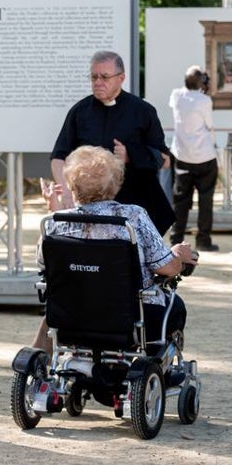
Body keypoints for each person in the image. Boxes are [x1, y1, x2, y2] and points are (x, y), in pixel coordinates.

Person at [32, 146, 196, 353]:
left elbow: (44, 266)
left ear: (72, 187)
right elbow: (167, 268)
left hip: (72, 316)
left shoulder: (54, 223)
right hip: (129, 317)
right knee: (175, 305)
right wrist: (180, 255)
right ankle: (156, 365)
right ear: (115, 184)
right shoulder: (132, 217)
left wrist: (56, 211)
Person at [47, 51, 175, 234]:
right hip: (90, 207)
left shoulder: (143, 111)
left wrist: (130, 154)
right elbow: (59, 156)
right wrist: (66, 193)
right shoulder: (79, 112)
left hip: (135, 203)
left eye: (105, 77)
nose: (98, 82)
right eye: (94, 77)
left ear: (121, 78)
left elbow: (165, 159)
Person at [168, 66, 219, 253]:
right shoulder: (205, 101)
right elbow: (209, 125)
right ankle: (203, 240)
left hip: (182, 156)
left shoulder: (176, 96)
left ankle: (176, 238)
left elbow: (182, 95)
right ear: (202, 83)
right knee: (206, 200)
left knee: (180, 201)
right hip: (204, 156)